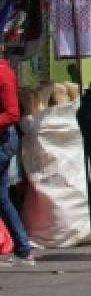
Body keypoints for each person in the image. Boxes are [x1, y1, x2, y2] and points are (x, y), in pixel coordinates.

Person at [0, 52, 33, 266]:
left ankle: (23, 248)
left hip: (3, 141)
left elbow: (12, 113)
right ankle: (23, 249)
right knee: (1, 198)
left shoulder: (3, 74)